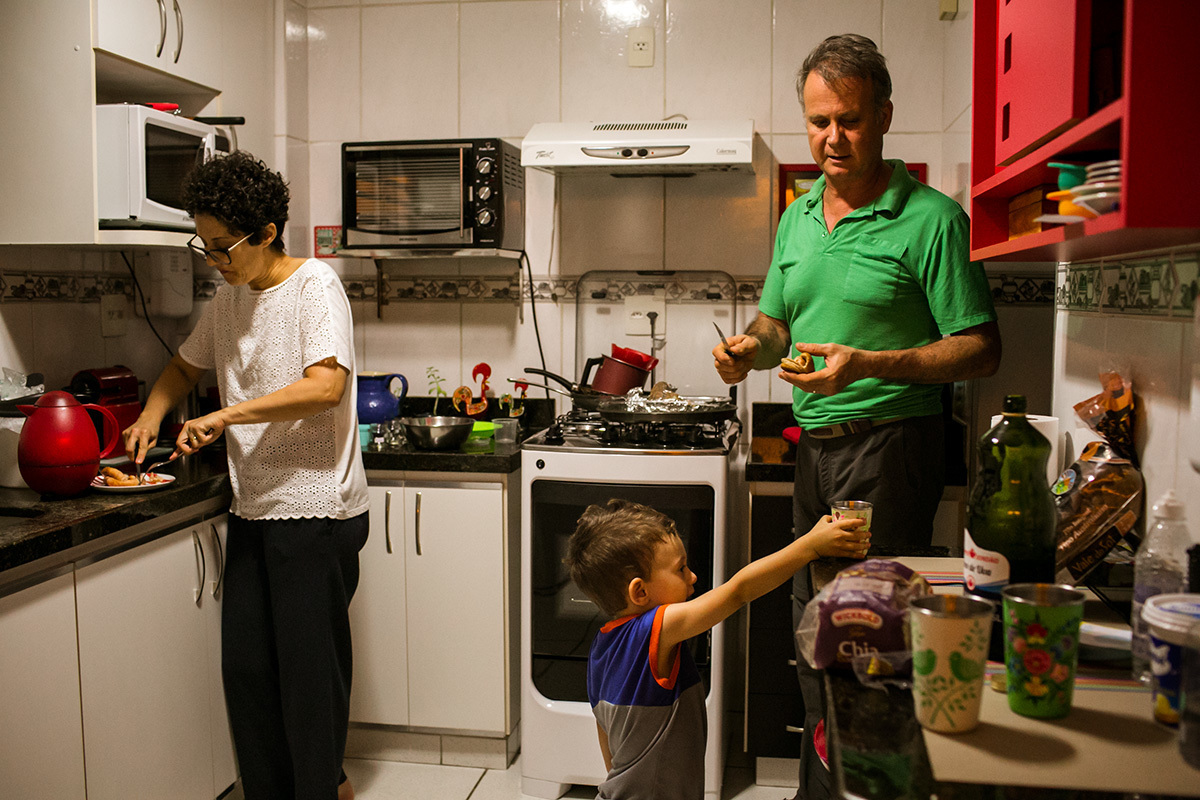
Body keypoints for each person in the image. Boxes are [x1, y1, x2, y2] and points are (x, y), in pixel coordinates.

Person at [711, 34, 1001, 800]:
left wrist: (869, 363)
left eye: (848, 120)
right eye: (816, 122)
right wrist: (750, 346)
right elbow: (778, 326)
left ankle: (875, 787)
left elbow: (979, 349)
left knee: (872, 638)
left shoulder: (933, 220)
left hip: (892, 448)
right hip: (817, 450)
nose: (831, 138)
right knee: (813, 628)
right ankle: (824, 788)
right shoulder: (798, 216)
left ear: (883, 117)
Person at [122, 151, 369, 800]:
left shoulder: (315, 285)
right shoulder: (230, 300)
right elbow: (183, 367)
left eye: (222, 247)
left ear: (265, 233)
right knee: (249, 673)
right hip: (255, 506)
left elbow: (325, 385)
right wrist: (152, 413)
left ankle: (321, 789)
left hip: (318, 511)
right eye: (202, 245)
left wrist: (226, 415)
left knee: (308, 682)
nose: (213, 260)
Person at [565, 499, 870, 800]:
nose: (692, 576)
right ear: (640, 591)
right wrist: (811, 547)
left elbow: (605, 734)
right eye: (681, 569)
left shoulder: (600, 648)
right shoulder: (655, 627)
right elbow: (739, 591)